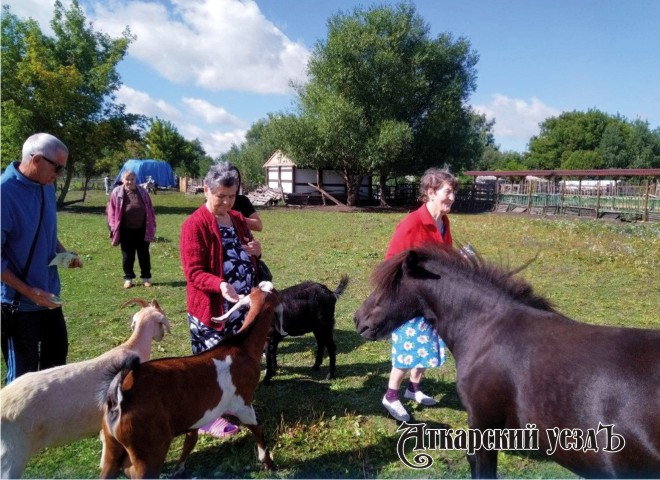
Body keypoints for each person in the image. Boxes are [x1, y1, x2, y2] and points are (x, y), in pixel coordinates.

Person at [180, 161, 262, 437]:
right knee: (210, 366)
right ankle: (205, 419)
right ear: (206, 189)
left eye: (232, 196)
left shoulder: (237, 219)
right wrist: (220, 285)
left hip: (239, 307)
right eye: (220, 197)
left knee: (233, 360)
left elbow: (249, 252)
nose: (226, 203)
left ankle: (228, 405)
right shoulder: (194, 225)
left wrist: (256, 250)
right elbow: (194, 273)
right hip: (213, 309)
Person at [1, 133, 83, 384]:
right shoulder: (4, 194)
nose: (59, 174)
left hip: (48, 299)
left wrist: (63, 253)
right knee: (23, 381)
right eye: (57, 167)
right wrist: (29, 292)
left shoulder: (46, 185)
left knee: (55, 368)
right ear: (36, 159)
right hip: (18, 305)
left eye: (63, 168)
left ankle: (47, 423)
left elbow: (47, 232)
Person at [380, 167, 458, 422]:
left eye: (453, 192)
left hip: (433, 296)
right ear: (430, 192)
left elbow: (445, 257)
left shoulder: (444, 223)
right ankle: (391, 395)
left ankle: (414, 388)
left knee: (428, 344)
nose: (452, 198)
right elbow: (391, 262)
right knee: (409, 347)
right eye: (448, 192)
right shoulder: (411, 223)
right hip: (410, 298)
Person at [106, 170, 157, 288]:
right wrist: (113, 227)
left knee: (144, 254)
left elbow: (150, 208)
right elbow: (111, 212)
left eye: (132, 179)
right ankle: (128, 278)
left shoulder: (143, 192)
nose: (130, 181)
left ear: (135, 179)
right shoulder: (117, 192)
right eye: (127, 179)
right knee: (127, 255)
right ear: (123, 180)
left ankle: (146, 278)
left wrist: (153, 224)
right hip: (125, 229)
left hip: (142, 228)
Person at [229, 166, 263, 232]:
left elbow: (258, 226)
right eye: (231, 180)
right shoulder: (213, 203)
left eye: (237, 180)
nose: (235, 183)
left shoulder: (242, 200)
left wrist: (235, 218)